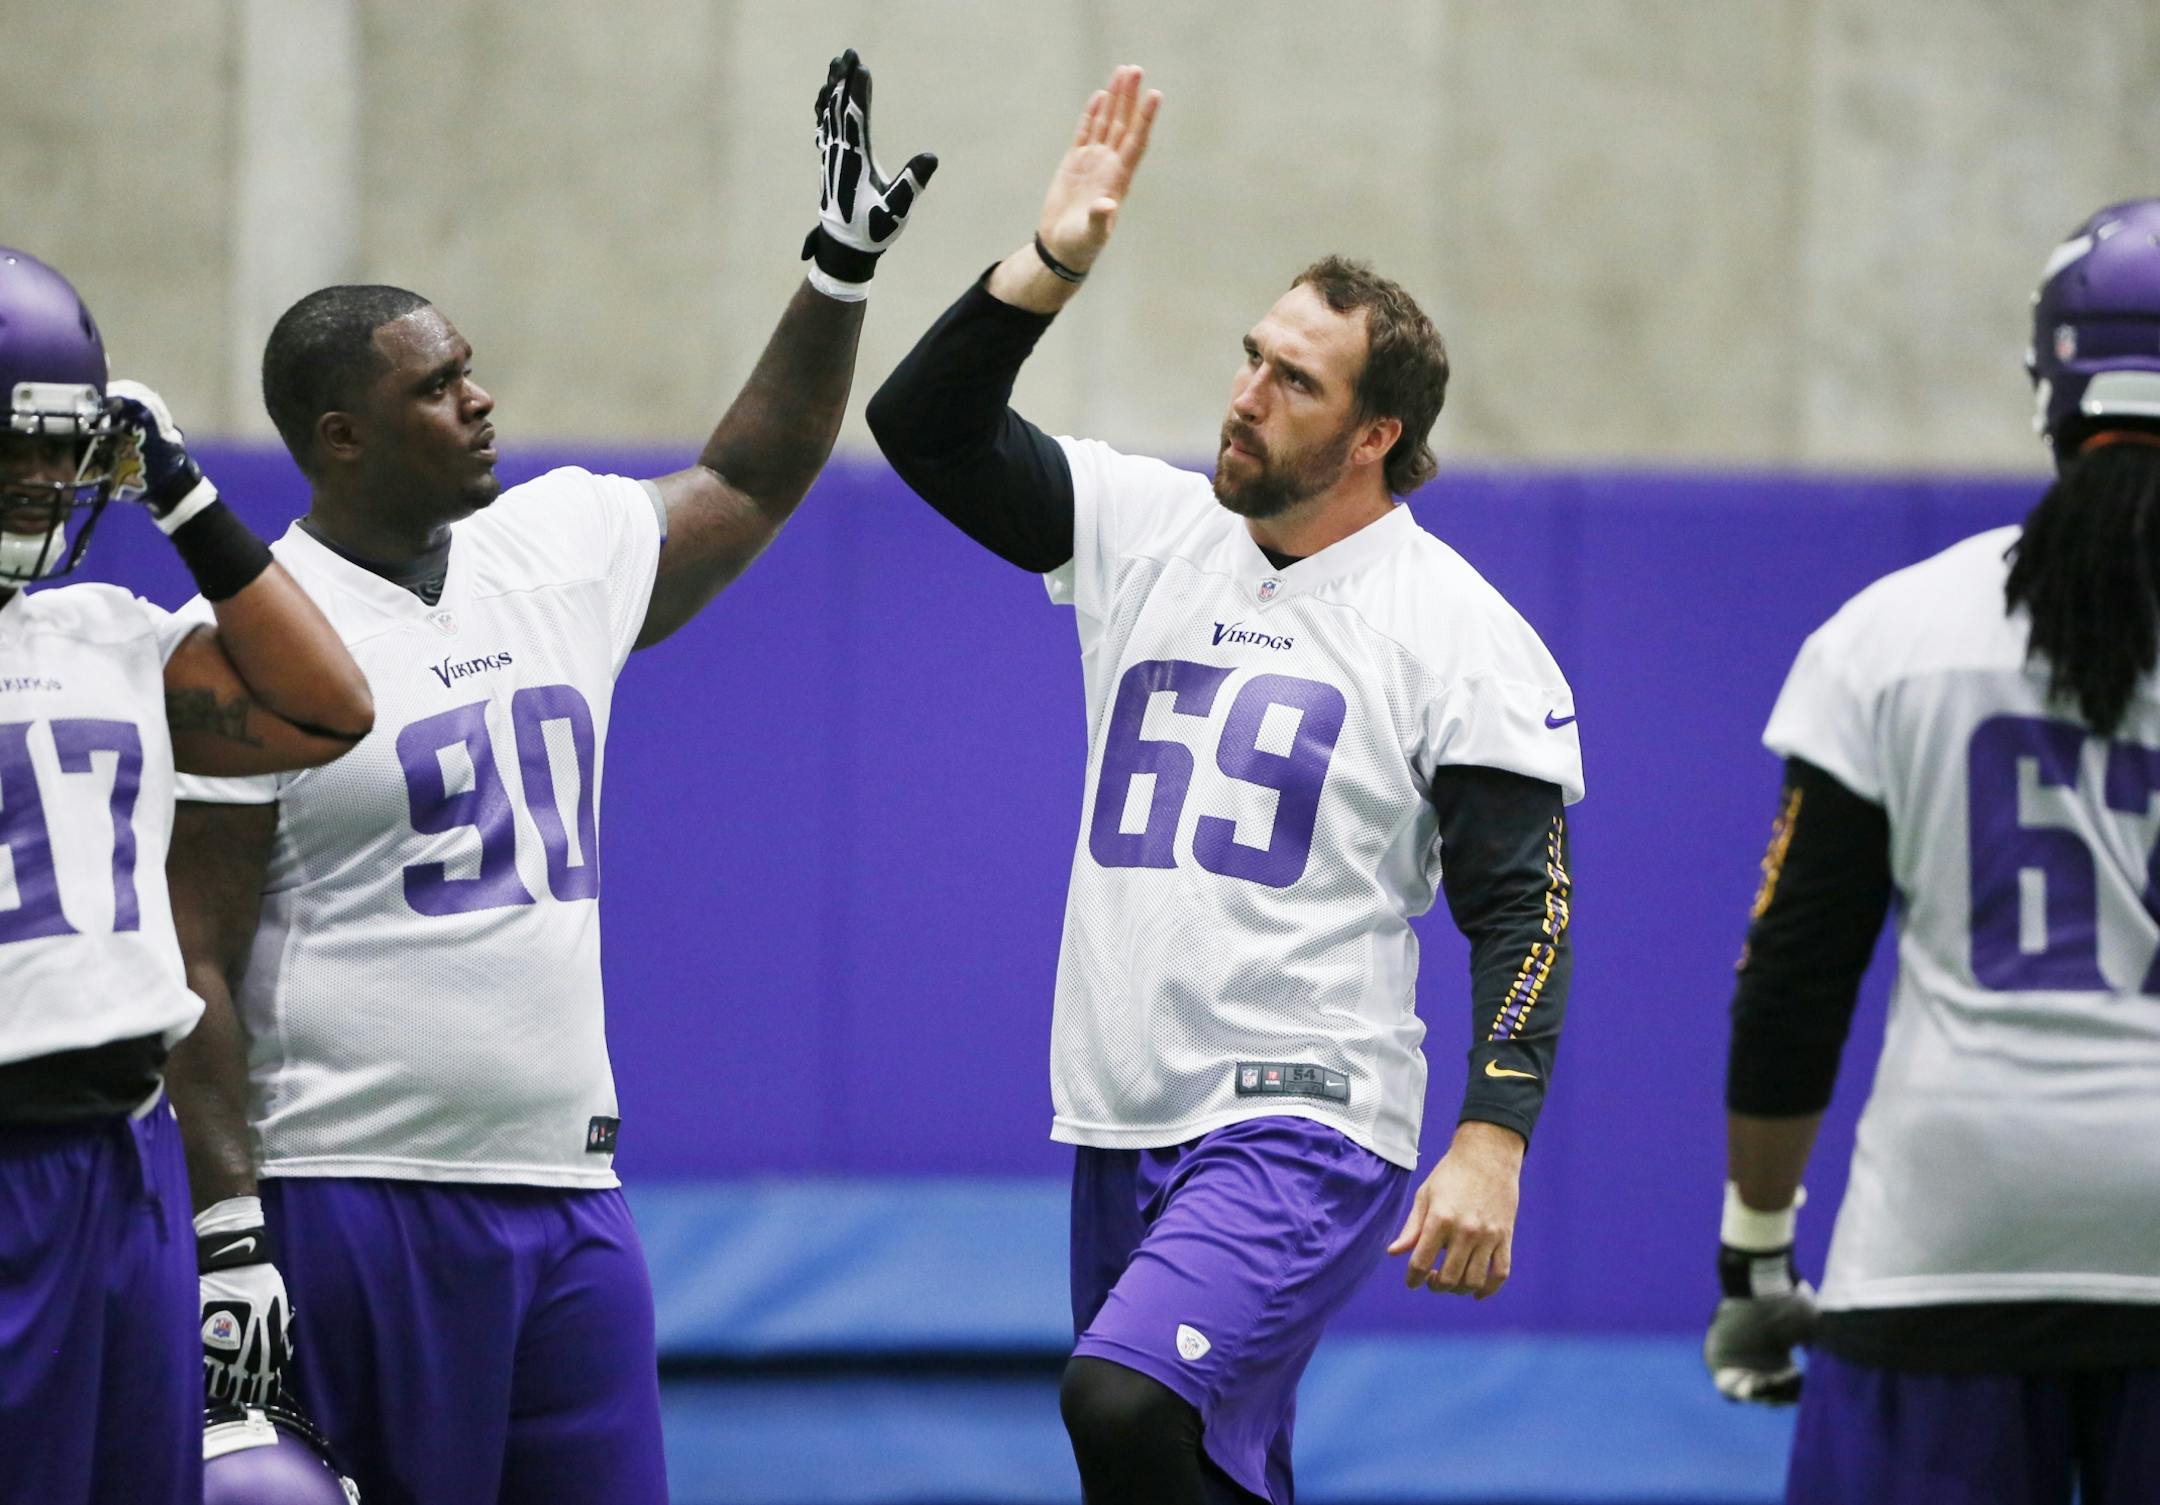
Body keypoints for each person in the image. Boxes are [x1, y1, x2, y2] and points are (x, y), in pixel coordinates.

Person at [160, 50, 935, 1505]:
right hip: (356, 1191)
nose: (482, 398)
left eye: (469, 368)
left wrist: (835, 275)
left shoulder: (556, 546)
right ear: (342, 439)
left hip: (569, 1189)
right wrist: (229, 1234)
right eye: (437, 387)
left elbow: (755, 475)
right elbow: (195, 949)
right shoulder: (251, 646)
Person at [867, 66, 1584, 1505]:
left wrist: (1492, 1137)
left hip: (1305, 1119)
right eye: (1251, 356)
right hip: (1125, 1108)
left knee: (1123, 1404)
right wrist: (1050, 261)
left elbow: (1529, 909)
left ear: (1377, 435)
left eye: (1294, 381)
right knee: (1184, 1456)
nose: (1246, 397)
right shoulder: (1148, 528)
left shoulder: (1459, 627)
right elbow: (925, 428)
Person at [1706, 198, 2160, 1502]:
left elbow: (1795, 978)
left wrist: (1757, 1250)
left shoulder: (1897, 633)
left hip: (1956, 1238)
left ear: (2051, 387)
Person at [0, 247, 373, 1505]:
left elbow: (329, 709)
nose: (48, 477)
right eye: (17, 443)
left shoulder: (105, 629)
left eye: (66, 446)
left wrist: (185, 496)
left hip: (121, 1153)